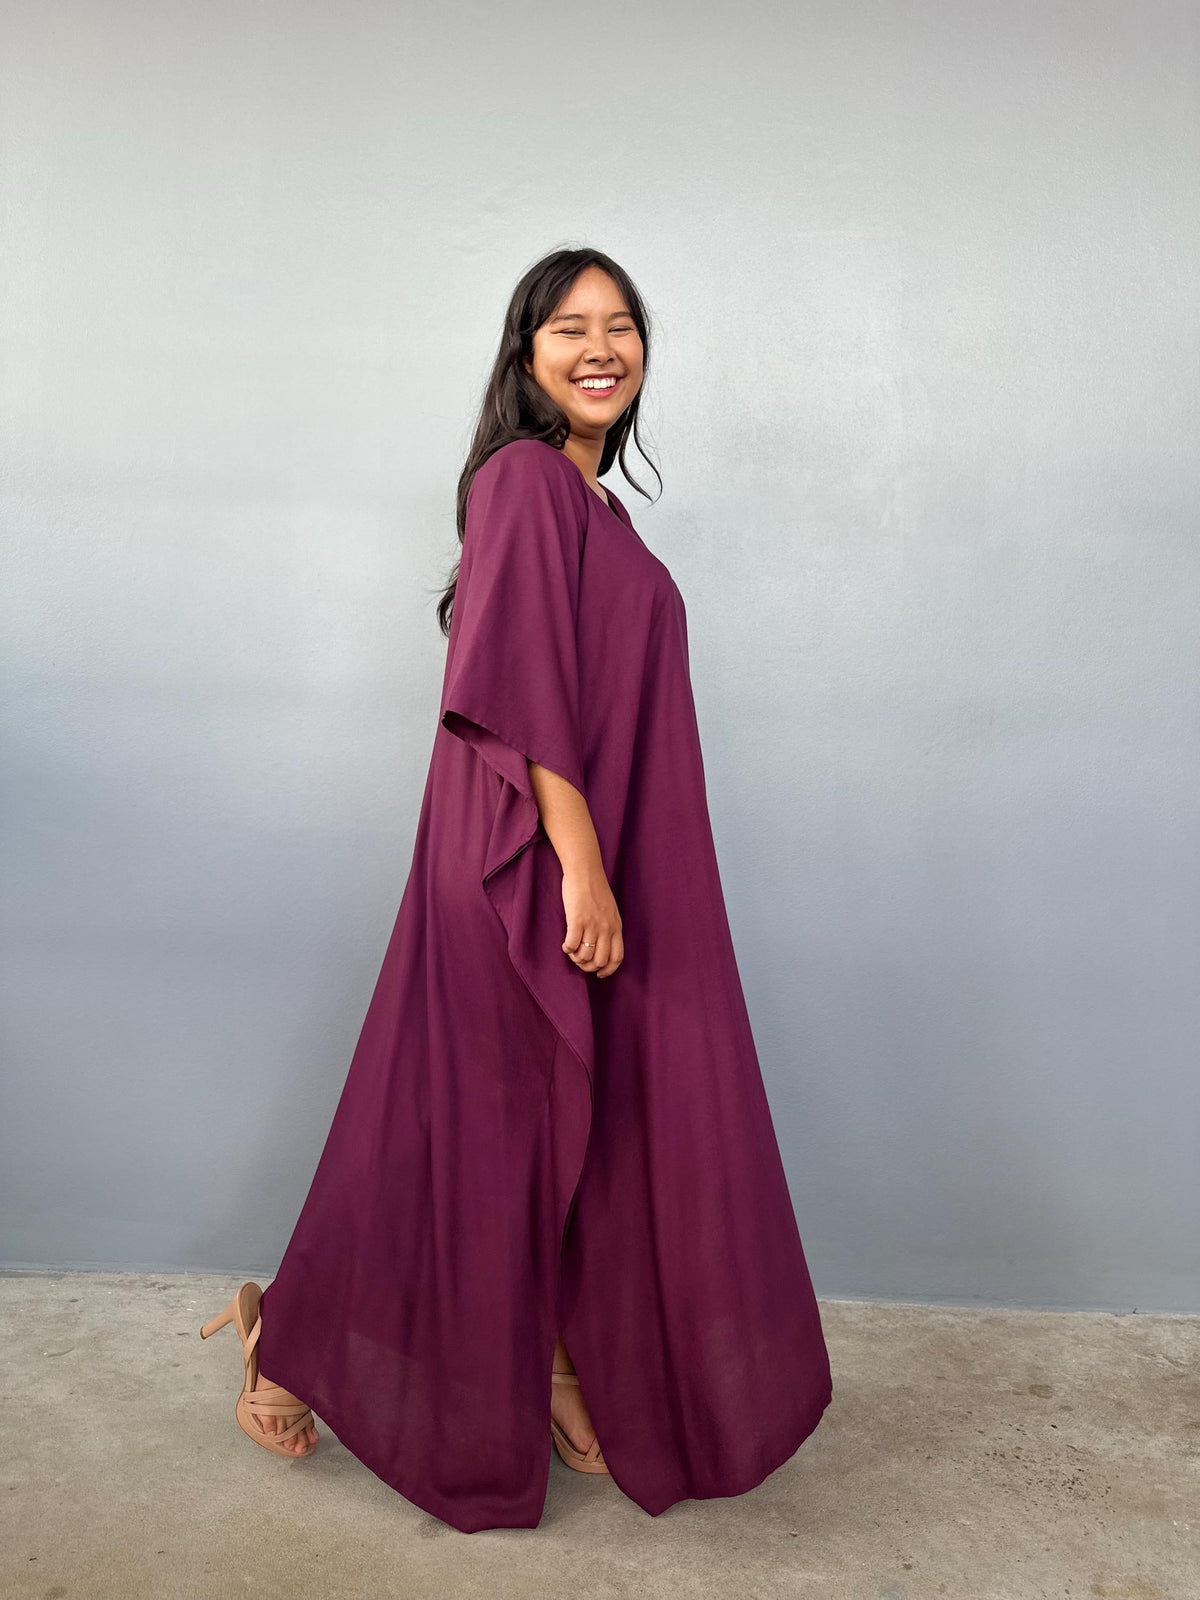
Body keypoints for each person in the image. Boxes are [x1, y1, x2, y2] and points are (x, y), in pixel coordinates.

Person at [200, 247, 832, 1533]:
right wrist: (580, 866)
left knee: (582, 1120)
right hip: (524, 863)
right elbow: (522, 685)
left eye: (622, 325)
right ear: (525, 354)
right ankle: (291, 1337)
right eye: (570, 328)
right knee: (472, 1122)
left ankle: (553, 1356)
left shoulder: (601, 511)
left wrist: (606, 863)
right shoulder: (524, 480)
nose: (601, 348)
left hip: (591, 854)